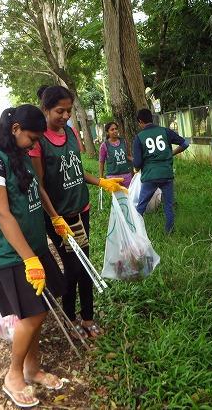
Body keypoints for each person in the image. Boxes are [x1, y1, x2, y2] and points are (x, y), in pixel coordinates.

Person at [0, 104, 74, 408]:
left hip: (31, 243)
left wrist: (54, 217)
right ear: (15, 130)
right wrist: (29, 260)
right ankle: (13, 375)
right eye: (31, 137)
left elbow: (35, 188)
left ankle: (31, 367)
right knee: (35, 312)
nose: (35, 143)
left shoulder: (20, 154)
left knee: (41, 304)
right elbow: (1, 213)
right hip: (5, 251)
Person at [30, 85, 126, 339]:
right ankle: (71, 317)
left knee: (85, 263)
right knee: (73, 267)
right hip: (59, 214)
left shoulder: (71, 132)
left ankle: (88, 317)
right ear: (46, 109)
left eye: (68, 111)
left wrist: (101, 182)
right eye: (59, 111)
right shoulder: (38, 141)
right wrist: (54, 218)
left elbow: (76, 170)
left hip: (81, 208)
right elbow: (38, 185)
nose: (64, 116)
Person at [132, 108, 189, 233]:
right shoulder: (165, 131)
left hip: (149, 176)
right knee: (168, 205)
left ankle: (136, 233)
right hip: (166, 174)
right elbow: (185, 144)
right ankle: (169, 232)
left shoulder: (139, 137)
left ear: (140, 121)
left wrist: (136, 169)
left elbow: (137, 163)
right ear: (151, 118)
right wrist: (171, 153)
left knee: (141, 206)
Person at [98, 121, 133, 188]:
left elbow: (127, 156)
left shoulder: (124, 141)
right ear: (107, 132)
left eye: (116, 129)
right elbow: (101, 162)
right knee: (117, 198)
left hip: (126, 176)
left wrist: (136, 160)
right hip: (113, 178)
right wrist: (101, 178)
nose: (115, 131)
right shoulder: (104, 145)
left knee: (129, 196)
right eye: (112, 129)